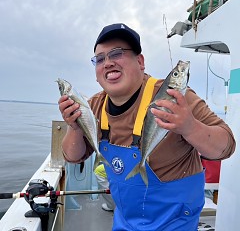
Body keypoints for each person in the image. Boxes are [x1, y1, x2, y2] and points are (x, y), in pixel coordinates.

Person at [58, 23, 235, 231]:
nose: (107, 63)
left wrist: (189, 127)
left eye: (116, 54)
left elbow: (226, 146)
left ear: (140, 62)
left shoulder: (174, 97)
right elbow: (73, 157)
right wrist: (75, 127)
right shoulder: (95, 106)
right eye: (100, 58)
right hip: (125, 222)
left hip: (176, 224)